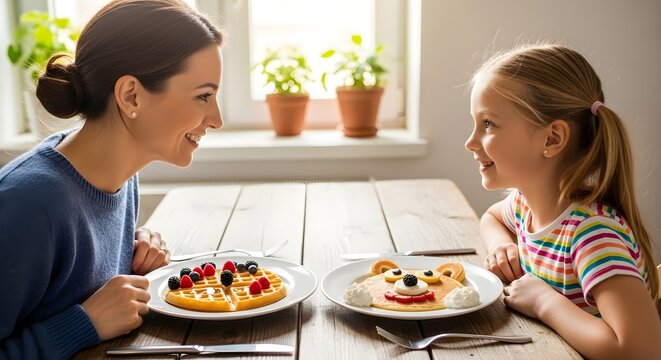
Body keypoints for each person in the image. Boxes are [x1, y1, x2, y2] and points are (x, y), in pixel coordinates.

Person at [0, 0, 223, 358]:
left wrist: (135, 244)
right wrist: (82, 324)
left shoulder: (119, 175)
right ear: (131, 95)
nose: (216, 118)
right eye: (203, 96)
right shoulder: (28, 204)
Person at [465, 43, 660, 358]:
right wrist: (502, 245)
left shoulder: (593, 235)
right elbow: (492, 217)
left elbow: (642, 350)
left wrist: (545, 302)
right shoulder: (523, 206)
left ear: (552, 138)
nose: (470, 142)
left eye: (488, 124)